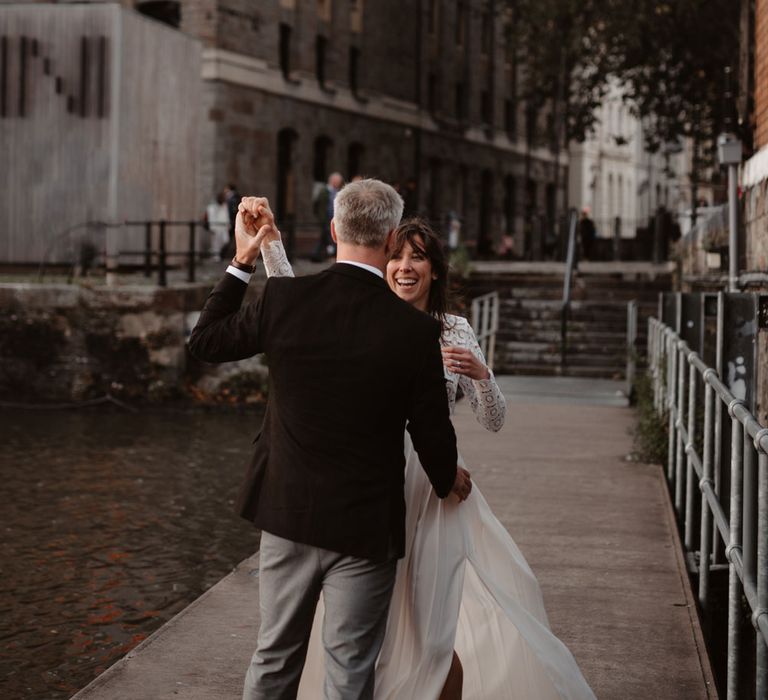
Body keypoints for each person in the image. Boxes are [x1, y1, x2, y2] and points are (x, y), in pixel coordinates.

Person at [254, 213, 597, 699]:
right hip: (369, 488)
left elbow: (494, 420)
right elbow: (296, 305)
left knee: (434, 633)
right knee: (366, 630)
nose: (405, 266)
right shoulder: (362, 316)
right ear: (383, 260)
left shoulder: (454, 329)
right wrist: (271, 243)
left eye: (418, 258)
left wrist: (483, 374)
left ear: (435, 270)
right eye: (397, 255)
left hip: (434, 492)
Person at [188, 179, 468, 700]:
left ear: (335, 229)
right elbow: (433, 436)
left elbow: (204, 341)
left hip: (287, 509)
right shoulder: (414, 332)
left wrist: (243, 259)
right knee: (349, 673)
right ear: (390, 241)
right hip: (365, 526)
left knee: (273, 660)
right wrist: (449, 480)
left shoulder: (286, 299)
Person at [311, 172, 343, 261]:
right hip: (325, 219)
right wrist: (320, 217)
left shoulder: (337, 191)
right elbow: (317, 205)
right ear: (332, 181)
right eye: (337, 181)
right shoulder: (324, 191)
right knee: (328, 237)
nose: (338, 183)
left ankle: (317, 255)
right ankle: (326, 254)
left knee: (325, 237)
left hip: (334, 218)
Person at [205, 191, 231, 260]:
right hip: (216, 227)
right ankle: (215, 256)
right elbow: (211, 217)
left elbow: (226, 215)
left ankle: (213, 252)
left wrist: (228, 225)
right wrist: (212, 227)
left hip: (223, 227)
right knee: (215, 243)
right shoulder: (212, 207)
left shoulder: (224, 205)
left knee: (225, 240)